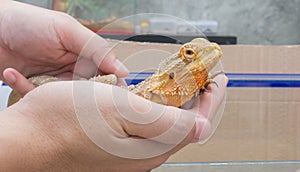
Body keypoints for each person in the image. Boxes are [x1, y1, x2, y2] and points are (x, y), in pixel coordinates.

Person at [0, 1, 228, 171]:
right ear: (172, 70)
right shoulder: (152, 92)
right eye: (189, 54)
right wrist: (37, 137)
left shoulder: (183, 87)